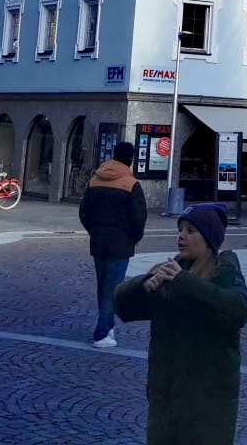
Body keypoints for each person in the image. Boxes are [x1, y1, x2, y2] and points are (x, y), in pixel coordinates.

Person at [114, 203, 247, 445]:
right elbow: (122, 306)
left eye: (191, 231)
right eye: (180, 230)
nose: (181, 236)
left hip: (208, 407)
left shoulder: (225, 274)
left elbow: (238, 309)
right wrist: (144, 284)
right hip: (165, 402)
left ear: (208, 238)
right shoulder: (170, 274)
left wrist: (183, 282)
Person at [80, 141, 148, 348]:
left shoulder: (95, 180)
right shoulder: (131, 183)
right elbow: (139, 217)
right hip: (120, 245)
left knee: (103, 287)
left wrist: (95, 231)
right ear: (130, 159)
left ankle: (108, 326)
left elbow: (84, 212)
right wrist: (133, 238)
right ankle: (102, 333)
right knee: (113, 288)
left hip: (99, 242)